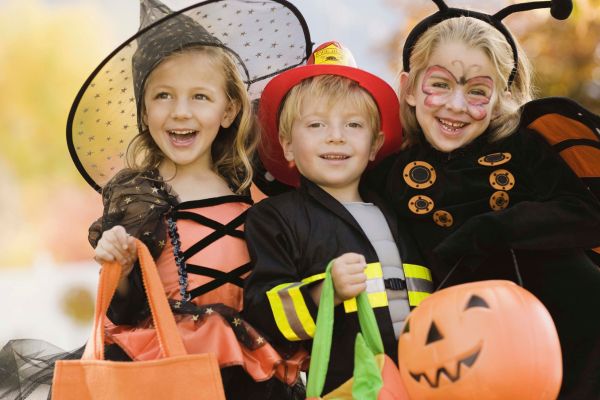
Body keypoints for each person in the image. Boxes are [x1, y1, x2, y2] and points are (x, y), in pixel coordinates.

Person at [0, 1, 312, 399]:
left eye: (200, 97)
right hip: (164, 369)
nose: (180, 112)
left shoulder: (253, 191)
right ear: (144, 111)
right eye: (163, 96)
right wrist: (123, 266)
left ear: (229, 109)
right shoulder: (140, 195)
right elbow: (123, 311)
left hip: (246, 370)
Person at [368, 2, 600, 398]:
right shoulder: (387, 174)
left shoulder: (525, 148)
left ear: (498, 99)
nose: (456, 106)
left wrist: (493, 228)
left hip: (577, 333)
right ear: (408, 88)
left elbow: (587, 214)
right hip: (463, 355)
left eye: (477, 91)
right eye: (439, 84)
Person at [243, 41, 434, 394]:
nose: (335, 136)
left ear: (375, 144)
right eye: (316, 124)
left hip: (427, 379)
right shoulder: (274, 219)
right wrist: (322, 292)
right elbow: (260, 314)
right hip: (346, 386)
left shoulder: (404, 211)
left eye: (353, 125)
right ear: (286, 145)